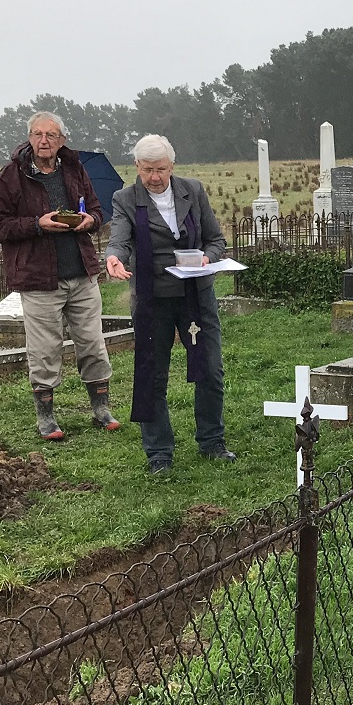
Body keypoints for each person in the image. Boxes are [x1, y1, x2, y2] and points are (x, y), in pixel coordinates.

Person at [0, 111, 119, 440]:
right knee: (45, 351)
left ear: (62, 141)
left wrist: (90, 221)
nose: (44, 141)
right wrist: (37, 224)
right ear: (29, 138)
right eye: (38, 134)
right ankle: (46, 416)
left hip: (82, 273)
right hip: (38, 278)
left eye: (52, 135)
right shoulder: (10, 177)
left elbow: (99, 210)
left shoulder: (74, 169)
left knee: (93, 344)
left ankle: (100, 408)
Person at [105, 134, 234, 473]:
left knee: (210, 368)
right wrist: (114, 259)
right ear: (137, 167)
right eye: (148, 170)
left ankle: (212, 440)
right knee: (151, 373)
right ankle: (159, 452)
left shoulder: (192, 190)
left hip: (195, 293)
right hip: (152, 297)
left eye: (161, 169)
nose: (155, 177)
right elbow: (118, 239)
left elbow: (216, 239)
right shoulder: (125, 199)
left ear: (171, 166)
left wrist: (208, 257)